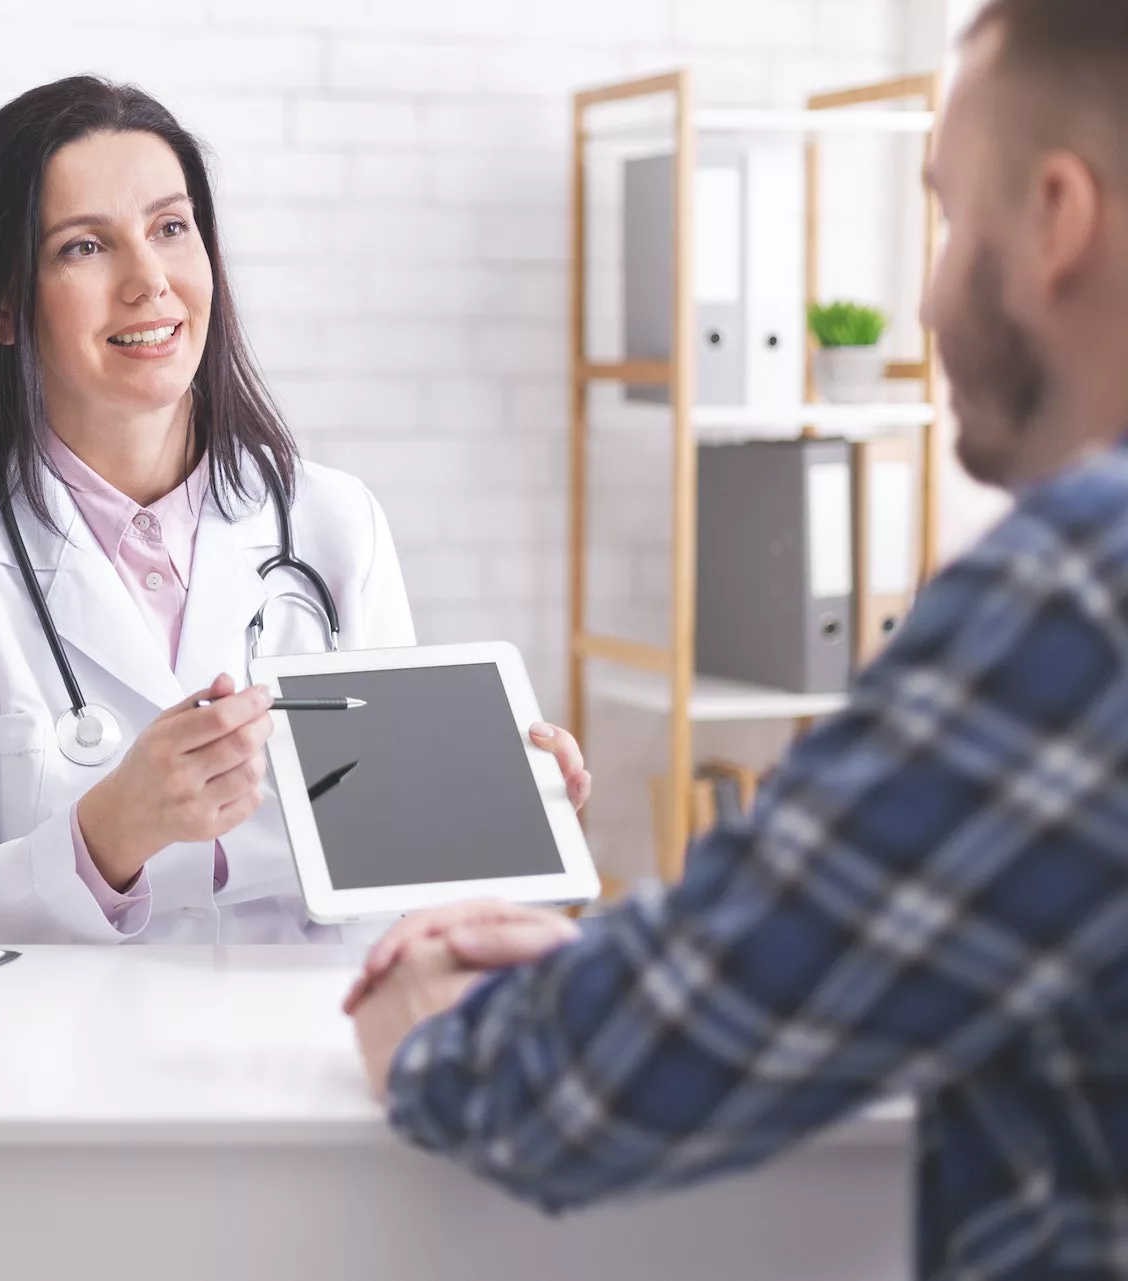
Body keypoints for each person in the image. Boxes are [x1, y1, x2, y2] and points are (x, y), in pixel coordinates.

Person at [346, 2, 1128, 1275]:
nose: (923, 292)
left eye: (945, 213)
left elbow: (584, 1087)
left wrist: (434, 1027)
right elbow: (864, 930)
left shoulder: (1080, 593)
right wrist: (638, 948)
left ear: (1054, 221)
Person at [0, 76, 593, 946]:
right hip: (65, 1068)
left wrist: (495, 817)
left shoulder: (334, 523)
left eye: (170, 228)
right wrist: (110, 832)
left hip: (308, 1054)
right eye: (85, 247)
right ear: (4, 307)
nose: (149, 280)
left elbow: (406, 897)